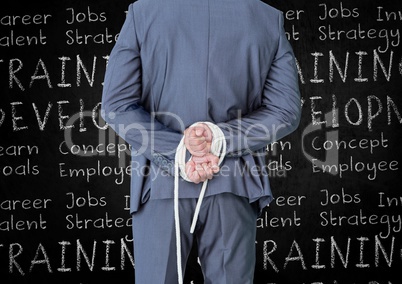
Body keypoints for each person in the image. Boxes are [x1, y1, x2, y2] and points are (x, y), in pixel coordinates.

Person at [101, 0, 301, 283]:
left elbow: (117, 105)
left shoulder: (144, 12)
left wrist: (180, 150)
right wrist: (219, 139)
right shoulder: (266, 17)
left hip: (160, 183)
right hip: (234, 182)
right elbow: (285, 112)